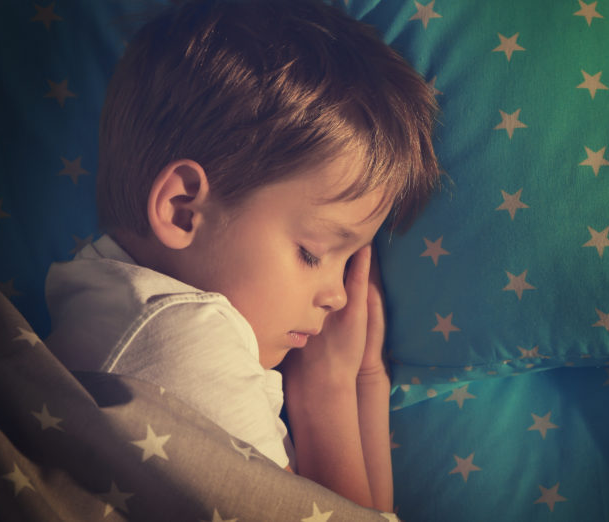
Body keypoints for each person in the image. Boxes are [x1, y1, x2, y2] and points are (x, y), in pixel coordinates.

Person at [44, 0, 439, 512]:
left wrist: (364, 378)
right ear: (184, 209)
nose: (339, 295)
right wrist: (327, 391)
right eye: (313, 251)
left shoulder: (101, 298)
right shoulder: (184, 337)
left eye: (350, 260)